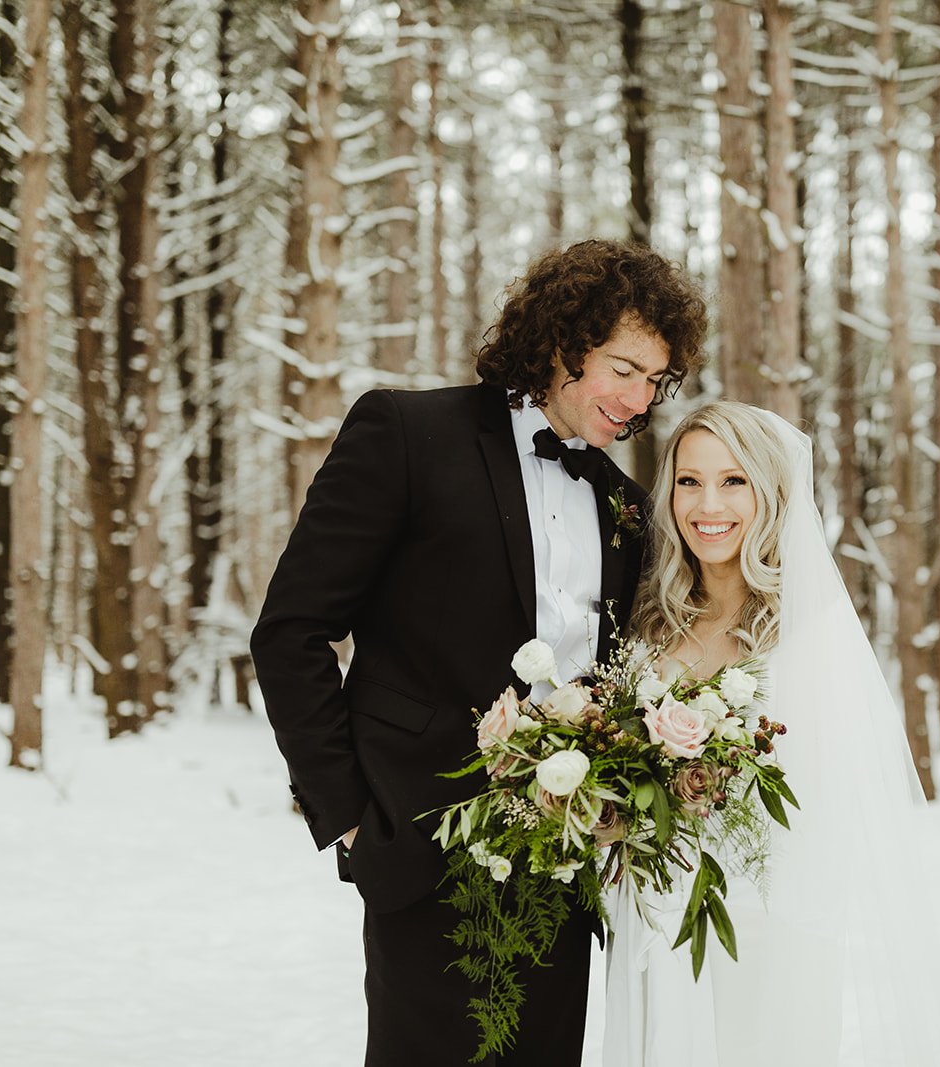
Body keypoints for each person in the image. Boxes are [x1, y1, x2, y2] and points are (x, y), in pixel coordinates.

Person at [249, 238, 708, 1067]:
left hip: (567, 868)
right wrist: (349, 816)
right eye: (624, 369)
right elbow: (291, 630)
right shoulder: (406, 432)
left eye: (656, 381)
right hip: (420, 847)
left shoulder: (629, 505)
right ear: (565, 340)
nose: (639, 401)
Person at [604, 402, 940, 1066]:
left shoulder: (809, 629)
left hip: (765, 928)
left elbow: (832, 798)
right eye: (689, 481)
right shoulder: (648, 622)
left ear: (770, 491)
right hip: (651, 924)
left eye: (734, 481)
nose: (709, 503)